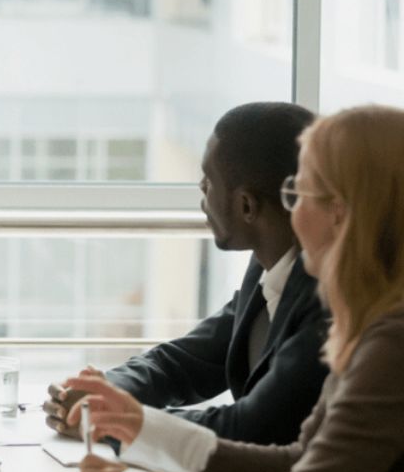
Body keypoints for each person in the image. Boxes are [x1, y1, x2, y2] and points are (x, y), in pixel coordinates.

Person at [70, 105, 404, 472]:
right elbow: (297, 462)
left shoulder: (391, 343)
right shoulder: (377, 322)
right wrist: (140, 426)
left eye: (298, 192)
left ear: (341, 213)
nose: (291, 210)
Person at [44, 102, 328, 445]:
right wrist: (107, 392)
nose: (201, 189)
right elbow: (186, 361)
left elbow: (252, 427)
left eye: (208, 180)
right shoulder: (268, 266)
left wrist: (115, 422)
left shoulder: (327, 299)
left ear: (247, 206)